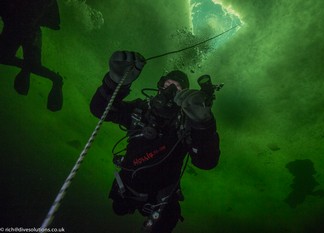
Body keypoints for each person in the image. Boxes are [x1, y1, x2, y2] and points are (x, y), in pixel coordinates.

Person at [90, 51, 220, 233]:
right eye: (167, 84)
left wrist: (203, 124)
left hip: (160, 199)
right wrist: (116, 81)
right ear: (159, 86)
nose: (170, 90)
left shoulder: (185, 124)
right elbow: (99, 109)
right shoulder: (141, 111)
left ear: (184, 96)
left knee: (166, 221)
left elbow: (207, 162)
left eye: (177, 88)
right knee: (118, 209)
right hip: (127, 188)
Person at [0, 0, 63, 111]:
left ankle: (28, 68)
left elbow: (54, 22)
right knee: (28, 63)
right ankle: (28, 69)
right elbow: (54, 23)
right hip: (22, 27)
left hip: (21, 27)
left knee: (8, 57)